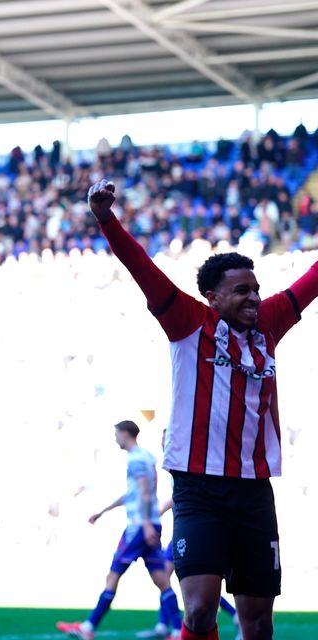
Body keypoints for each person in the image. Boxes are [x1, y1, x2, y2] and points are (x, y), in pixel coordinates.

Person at [85, 178, 318, 640]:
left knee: (257, 622)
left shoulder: (268, 323)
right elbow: (142, 268)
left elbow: (311, 282)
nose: (254, 297)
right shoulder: (189, 320)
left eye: (256, 288)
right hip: (198, 490)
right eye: (241, 290)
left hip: (253, 491)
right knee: (199, 610)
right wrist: (105, 218)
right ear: (213, 297)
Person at [56, 420, 183, 640]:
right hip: (150, 522)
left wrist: (144, 525)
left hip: (138, 527)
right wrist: (104, 510)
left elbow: (144, 492)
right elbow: (135, 493)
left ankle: (88, 628)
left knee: (112, 576)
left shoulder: (135, 460)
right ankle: (177, 630)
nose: (115, 439)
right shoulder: (145, 457)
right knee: (162, 580)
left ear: (126, 434)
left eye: (117, 434)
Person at [136, 498, 240, 640]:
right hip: (181, 533)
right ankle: (164, 624)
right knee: (169, 580)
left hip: (190, 534)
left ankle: (171, 627)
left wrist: (156, 514)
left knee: (198, 588)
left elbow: (178, 496)